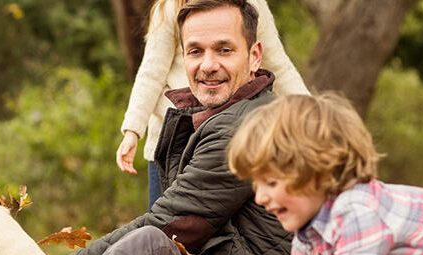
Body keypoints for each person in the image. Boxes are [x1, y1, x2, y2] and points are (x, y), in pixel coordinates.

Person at [24, 0, 293, 255]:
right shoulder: (227, 113)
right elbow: (149, 71)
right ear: (182, 57)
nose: (208, 65)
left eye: (224, 50)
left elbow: (170, 223)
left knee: (150, 247)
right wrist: (133, 128)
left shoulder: (244, 127)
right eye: (195, 51)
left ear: (255, 56)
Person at [227, 94, 423, 255]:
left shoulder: (358, 212)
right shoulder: (312, 229)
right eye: (256, 184)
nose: (260, 198)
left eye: (271, 183)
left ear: (319, 172)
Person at [117, 0, 309, 210]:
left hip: (227, 132)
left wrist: (314, 117)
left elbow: (278, 66)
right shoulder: (172, 6)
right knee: (163, 221)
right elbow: (151, 73)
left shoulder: (251, 5)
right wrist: (132, 131)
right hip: (173, 140)